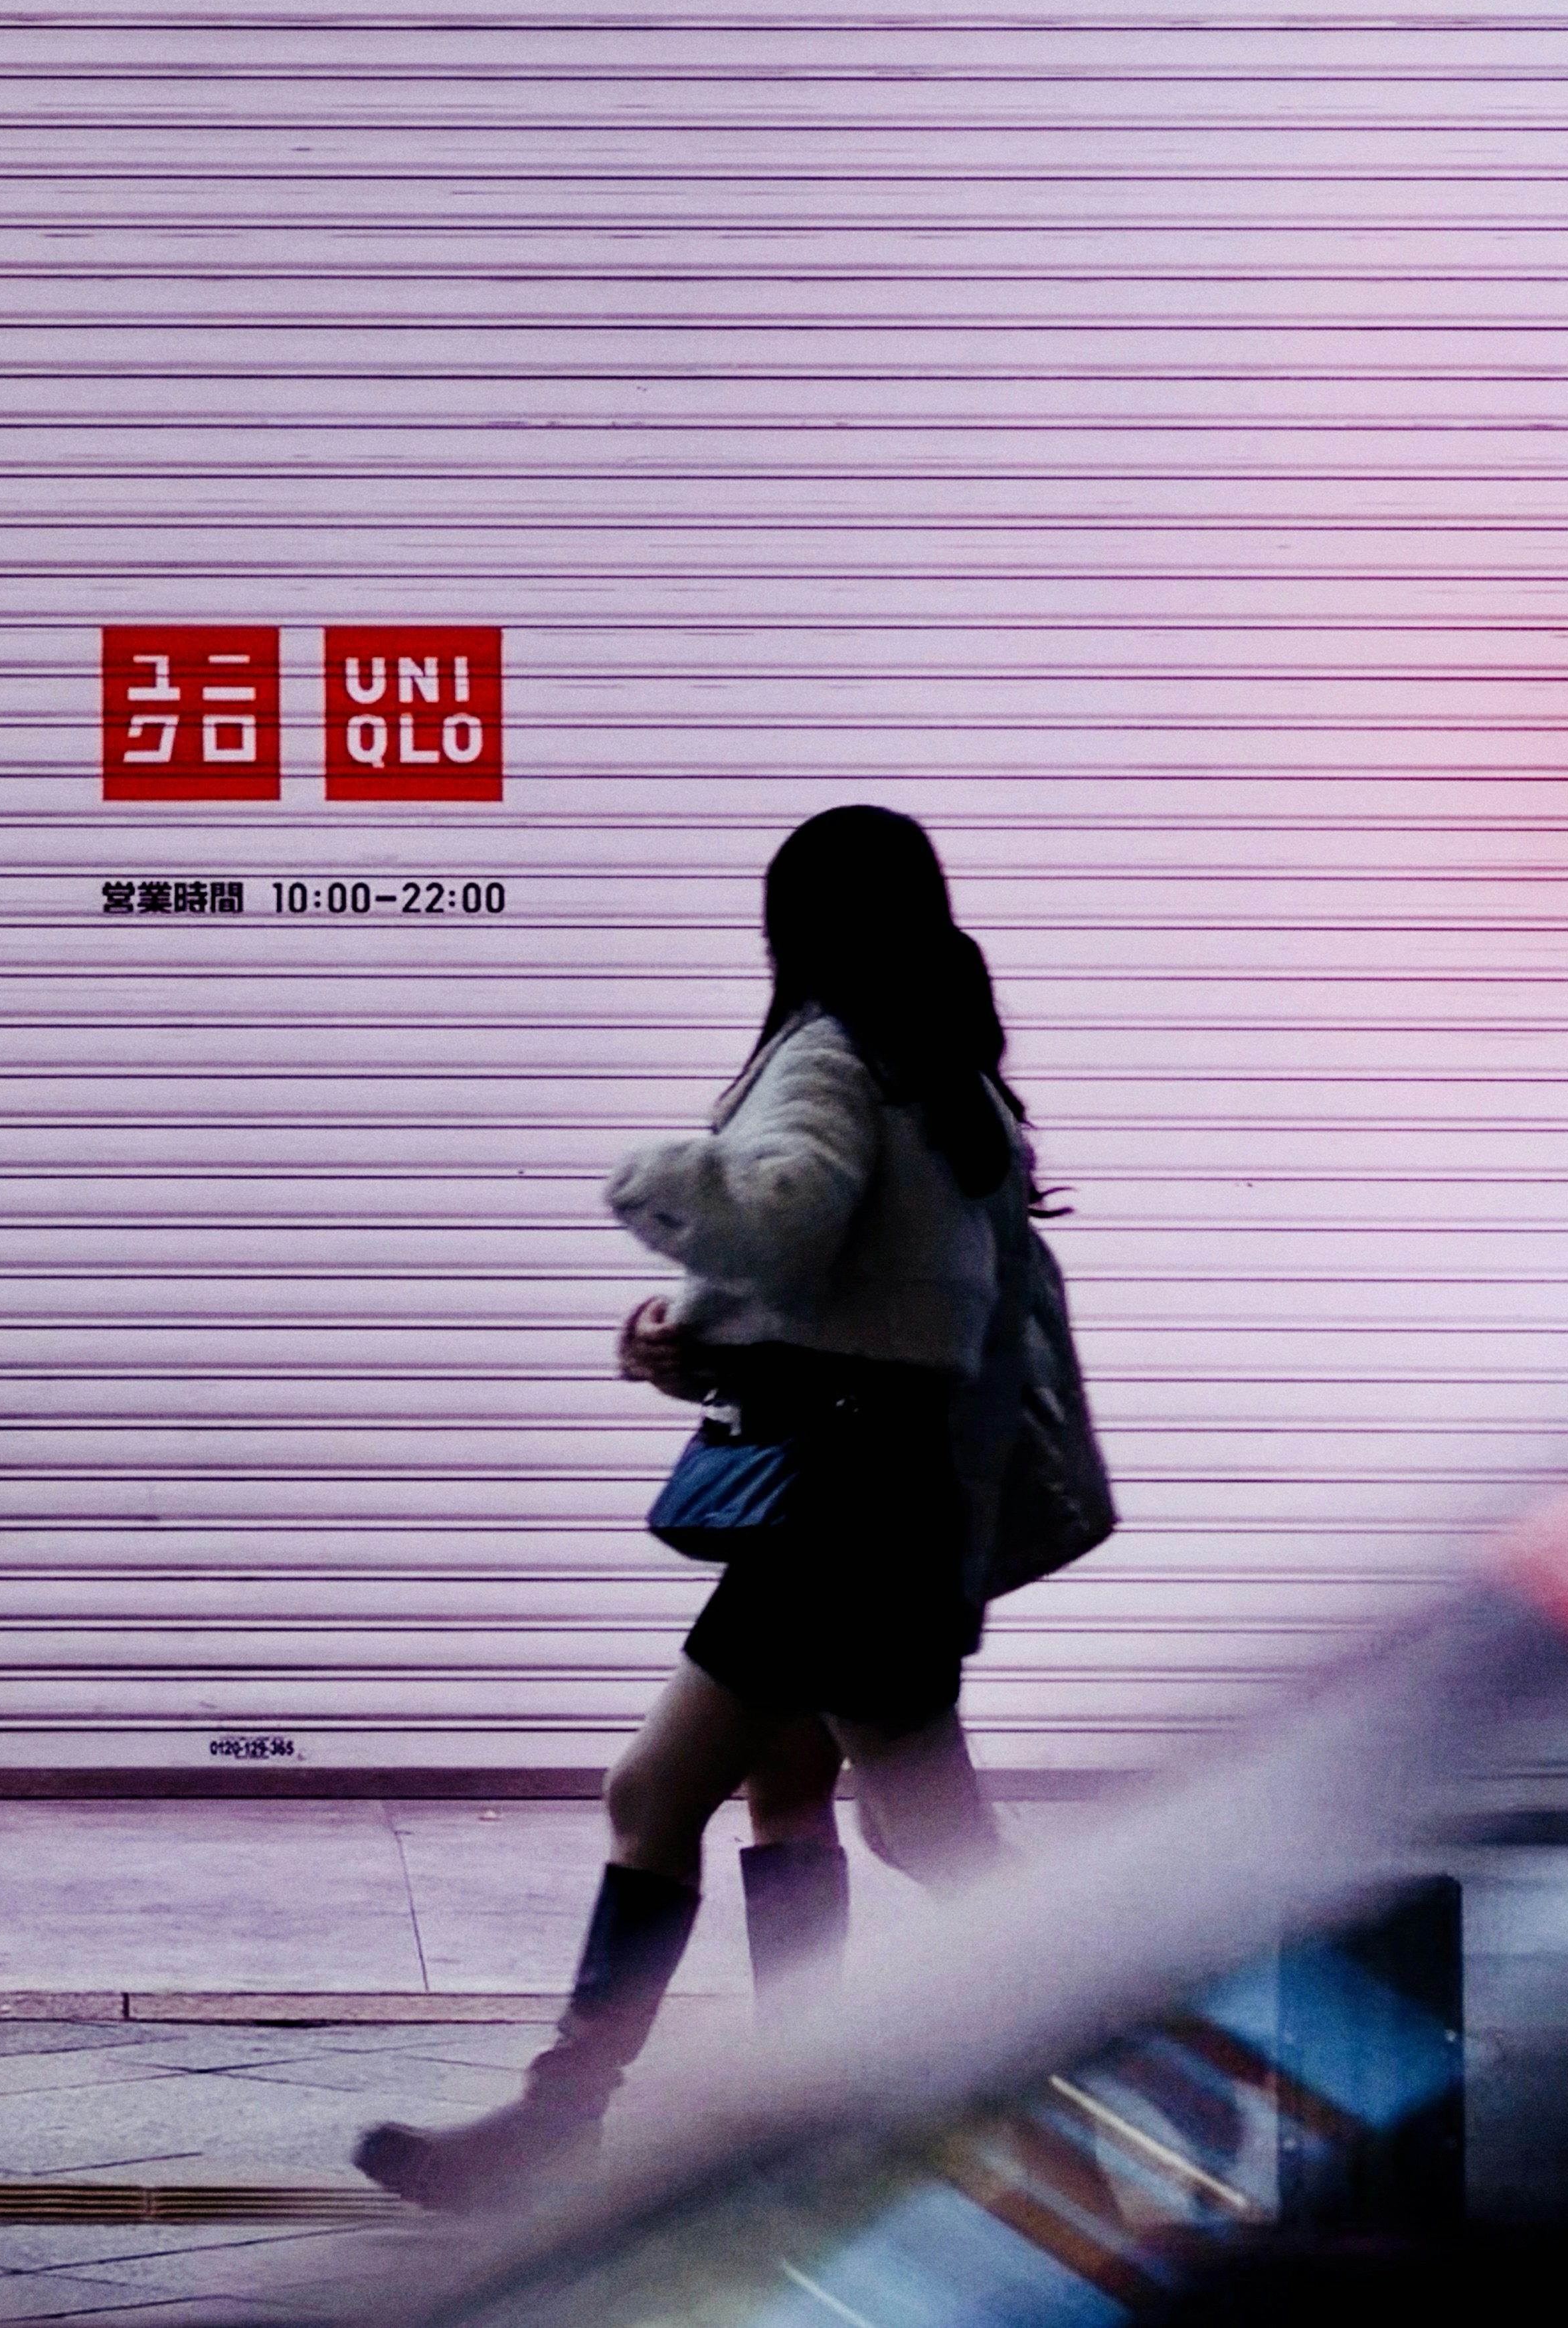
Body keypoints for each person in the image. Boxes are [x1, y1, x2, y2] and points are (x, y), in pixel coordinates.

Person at [355, 804, 1038, 2213]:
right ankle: (787, 2108)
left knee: (688, 1795)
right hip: (890, 1497)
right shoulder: (949, 1082)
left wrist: (655, 1181)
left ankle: (1112, 2026)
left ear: (798, 925)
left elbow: (780, 1216)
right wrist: (697, 1338)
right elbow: (886, 1309)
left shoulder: (831, 1057)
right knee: (813, 1800)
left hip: (837, 1515)